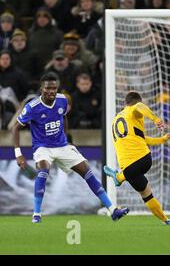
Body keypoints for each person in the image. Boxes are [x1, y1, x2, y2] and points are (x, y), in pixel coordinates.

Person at [12, 72, 129, 223]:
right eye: (48, 88)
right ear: (41, 89)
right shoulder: (32, 107)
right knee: (43, 170)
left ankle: (113, 210)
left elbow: (64, 116)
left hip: (62, 145)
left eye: (54, 88)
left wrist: (67, 139)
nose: (51, 91)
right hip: (43, 147)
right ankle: (36, 214)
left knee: (87, 171)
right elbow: (15, 128)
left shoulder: (62, 100)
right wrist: (18, 154)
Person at [103, 91, 170, 225]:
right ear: (137, 101)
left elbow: (141, 138)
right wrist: (157, 120)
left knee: (147, 195)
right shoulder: (134, 109)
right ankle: (118, 177)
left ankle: (119, 177)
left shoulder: (115, 120)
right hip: (143, 159)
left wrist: (162, 139)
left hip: (128, 167)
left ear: (125, 103)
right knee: (147, 194)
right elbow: (140, 107)